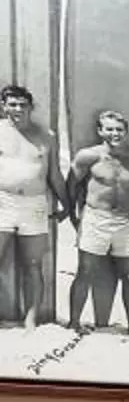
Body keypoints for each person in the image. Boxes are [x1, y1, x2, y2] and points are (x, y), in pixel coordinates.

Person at [65, 108, 129, 335]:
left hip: (125, 222)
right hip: (95, 219)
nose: (115, 134)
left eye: (119, 129)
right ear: (100, 131)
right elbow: (71, 186)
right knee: (85, 272)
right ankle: (73, 322)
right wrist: (73, 217)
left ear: (126, 132)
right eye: (109, 129)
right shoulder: (88, 156)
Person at [0, 85, 57, 329]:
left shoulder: (46, 136)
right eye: (12, 104)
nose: (17, 109)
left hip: (34, 204)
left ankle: (31, 318)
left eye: (23, 105)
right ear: (4, 106)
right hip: (3, 201)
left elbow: (55, 174)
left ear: (30, 107)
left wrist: (66, 203)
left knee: (33, 265)